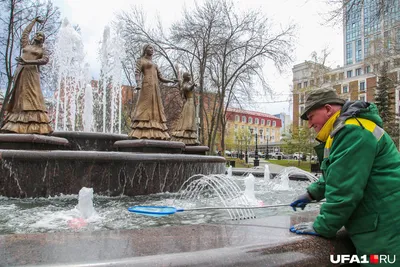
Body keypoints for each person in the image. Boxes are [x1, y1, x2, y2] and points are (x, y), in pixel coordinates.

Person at [290, 88, 400, 263]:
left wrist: (322, 226)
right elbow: (339, 173)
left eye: (311, 117)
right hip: (382, 217)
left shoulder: (352, 131)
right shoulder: (347, 129)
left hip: (385, 223)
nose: (309, 125)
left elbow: (345, 189)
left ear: (327, 109)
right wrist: (312, 193)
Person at [1, 16, 53, 134]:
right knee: (20, 94)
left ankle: (35, 124)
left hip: (32, 74)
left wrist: (28, 62)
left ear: (43, 40)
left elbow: (45, 60)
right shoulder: (27, 46)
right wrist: (33, 21)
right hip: (21, 72)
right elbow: (25, 33)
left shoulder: (42, 50)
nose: (38, 36)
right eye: (37, 34)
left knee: (32, 94)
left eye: (41, 36)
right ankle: (17, 122)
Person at [129, 44, 177, 140]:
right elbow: (137, 73)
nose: (152, 50)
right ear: (145, 49)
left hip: (155, 88)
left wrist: (171, 81)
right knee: (144, 106)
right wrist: (138, 83)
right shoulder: (141, 60)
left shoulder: (155, 64)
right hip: (146, 86)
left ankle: (155, 129)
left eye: (152, 48)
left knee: (155, 107)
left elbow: (161, 77)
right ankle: (140, 129)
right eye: (150, 48)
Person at [171, 72, 200, 145]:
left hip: (191, 103)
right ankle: (186, 134)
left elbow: (180, 80)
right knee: (188, 119)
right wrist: (193, 85)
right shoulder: (185, 85)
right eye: (189, 75)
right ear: (186, 77)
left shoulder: (187, 83)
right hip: (189, 103)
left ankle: (190, 134)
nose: (190, 76)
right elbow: (189, 88)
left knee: (191, 118)